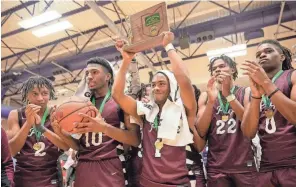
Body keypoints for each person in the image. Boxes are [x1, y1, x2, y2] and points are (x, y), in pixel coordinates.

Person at [112, 32, 204, 187]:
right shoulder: (146, 110)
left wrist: (168, 46)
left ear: (172, 86)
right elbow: (117, 95)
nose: (156, 88)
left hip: (178, 183)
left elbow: (184, 80)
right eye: (153, 84)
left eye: (161, 83)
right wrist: (126, 61)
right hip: (148, 182)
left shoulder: (185, 109)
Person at [52, 57, 140, 187]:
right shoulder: (80, 105)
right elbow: (78, 147)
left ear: (108, 76)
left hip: (111, 165)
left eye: (94, 72)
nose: (89, 76)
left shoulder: (121, 102)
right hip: (84, 165)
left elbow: (135, 139)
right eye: (87, 73)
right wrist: (61, 134)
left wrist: (104, 128)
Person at [241, 39, 296, 187]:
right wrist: (256, 96)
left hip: (292, 163)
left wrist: (266, 83)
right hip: (266, 165)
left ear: (282, 56)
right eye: (258, 54)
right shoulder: (251, 90)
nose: (262, 55)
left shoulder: (292, 76)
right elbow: (248, 133)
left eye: (269, 51)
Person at [196, 55, 257, 187]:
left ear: (233, 70)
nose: (217, 70)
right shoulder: (206, 96)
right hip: (217, 166)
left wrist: (229, 96)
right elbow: (201, 130)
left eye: (222, 66)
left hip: (243, 164)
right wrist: (211, 102)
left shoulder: (246, 92)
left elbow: (249, 126)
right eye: (214, 68)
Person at [6, 76, 70, 187]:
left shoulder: (57, 113)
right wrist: (28, 124)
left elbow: (66, 146)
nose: (40, 98)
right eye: (35, 94)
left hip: (51, 173)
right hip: (23, 175)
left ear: (50, 94)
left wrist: (42, 129)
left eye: (45, 93)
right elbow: (12, 150)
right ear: (27, 95)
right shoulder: (15, 114)